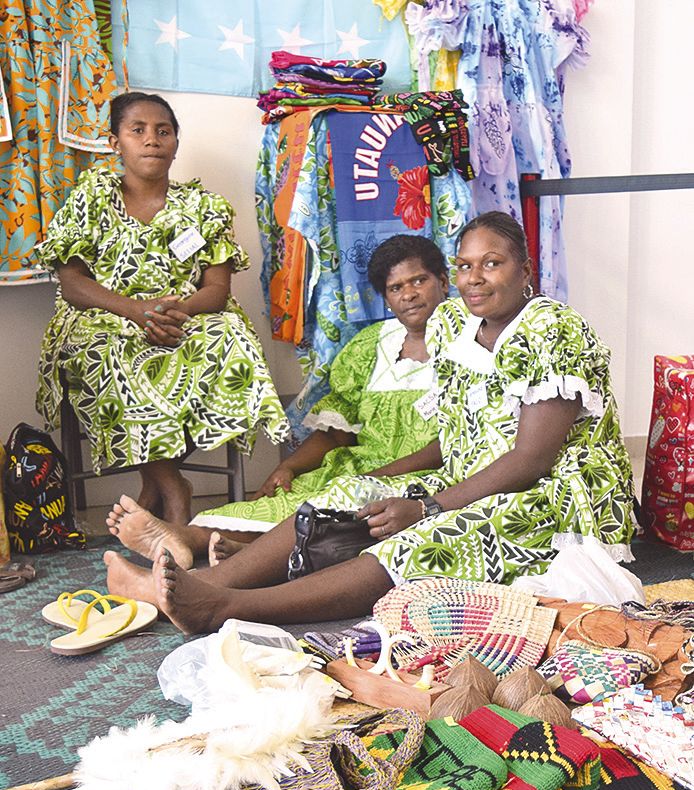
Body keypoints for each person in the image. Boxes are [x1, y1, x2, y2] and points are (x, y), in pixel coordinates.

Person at [105, 210, 635, 633]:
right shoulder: (456, 325)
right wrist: (380, 481)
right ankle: (199, 586)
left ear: (526, 269)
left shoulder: (551, 330)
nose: (475, 279)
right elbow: (454, 436)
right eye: (467, 265)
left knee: (430, 535)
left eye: (492, 264)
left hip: (557, 496)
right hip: (473, 477)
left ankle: (224, 608)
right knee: (345, 495)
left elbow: (529, 460)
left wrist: (425, 506)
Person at [105, 234, 449, 568]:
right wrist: (289, 467)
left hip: (424, 476)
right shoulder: (370, 346)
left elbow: (452, 440)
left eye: (419, 281)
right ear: (385, 298)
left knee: (332, 506)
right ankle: (191, 537)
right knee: (284, 499)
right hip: (358, 468)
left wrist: (375, 476)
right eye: (396, 288)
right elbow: (337, 434)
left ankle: (192, 541)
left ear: (444, 282)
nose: (409, 295)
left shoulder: (465, 342)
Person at [36, 92, 288, 525]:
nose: (152, 140)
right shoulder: (89, 199)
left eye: (163, 131)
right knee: (107, 350)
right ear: (115, 142)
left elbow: (217, 290)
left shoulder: (204, 208)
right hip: (105, 317)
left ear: (175, 142)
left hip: (186, 314)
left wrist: (175, 313)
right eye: (138, 130)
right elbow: (73, 283)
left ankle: (154, 481)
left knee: (229, 341)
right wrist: (137, 311)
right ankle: (174, 488)